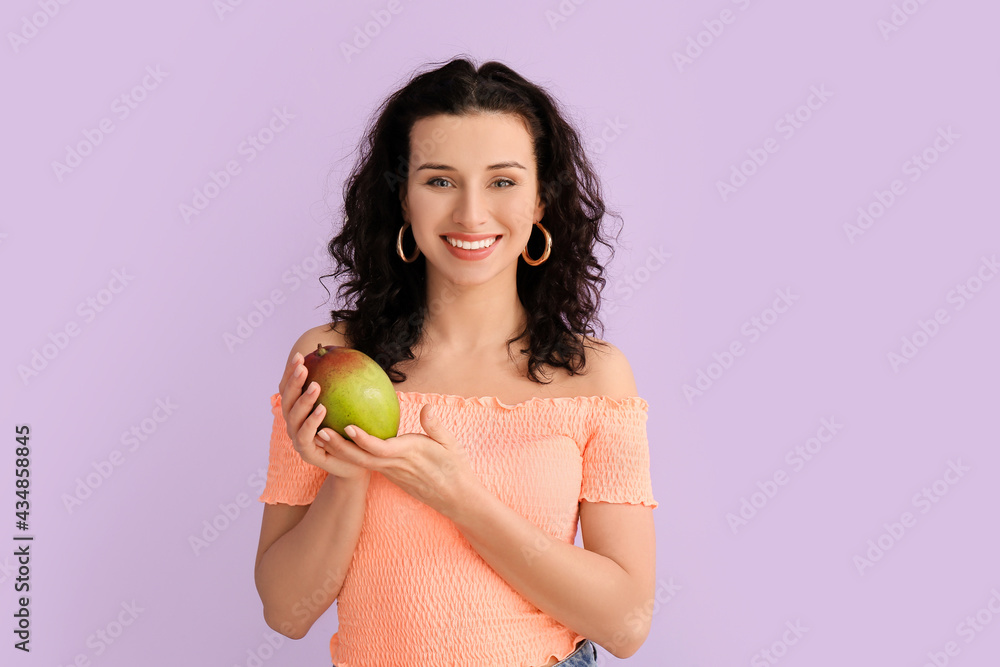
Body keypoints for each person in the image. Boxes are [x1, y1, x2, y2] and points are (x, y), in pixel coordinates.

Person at [253, 55, 658, 667]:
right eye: (440, 180)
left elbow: (626, 625)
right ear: (402, 199)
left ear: (541, 201)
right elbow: (287, 613)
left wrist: (460, 498)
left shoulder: (595, 377)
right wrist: (350, 471)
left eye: (503, 181)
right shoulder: (332, 360)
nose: (471, 214)